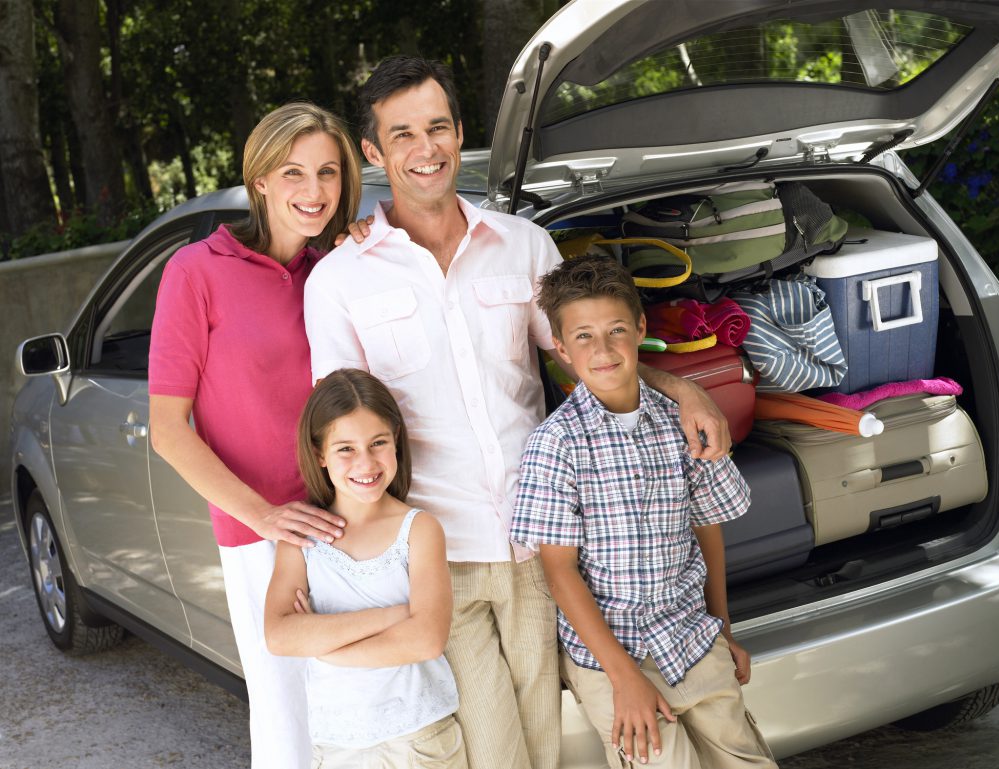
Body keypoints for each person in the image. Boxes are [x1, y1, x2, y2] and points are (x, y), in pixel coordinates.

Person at [303, 55, 730, 769]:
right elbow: (342, 433)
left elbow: (586, 355)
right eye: (402, 134)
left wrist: (680, 387)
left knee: (541, 742)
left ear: (460, 132)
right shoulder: (339, 280)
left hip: (542, 544)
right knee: (495, 750)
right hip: (442, 557)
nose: (426, 148)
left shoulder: (524, 245)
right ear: (373, 152)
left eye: (438, 127)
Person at [148, 102, 362, 769]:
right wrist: (266, 518)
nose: (315, 190)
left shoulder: (336, 272)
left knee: (368, 709)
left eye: (328, 172)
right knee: (289, 718)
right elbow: (167, 429)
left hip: (352, 520)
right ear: (260, 179)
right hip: (260, 536)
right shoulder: (196, 271)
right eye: (293, 171)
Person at [510, 254, 777, 769]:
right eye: (583, 337)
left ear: (640, 329)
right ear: (561, 348)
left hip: (692, 638)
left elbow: (707, 527)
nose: (603, 349)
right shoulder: (556, 443)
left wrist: (722, 627)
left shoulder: (683, 422)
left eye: (615, 330)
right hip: (613, 659)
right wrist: (624, 678)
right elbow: (559, 571)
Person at [264, 368, 467, 769]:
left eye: (378, 443)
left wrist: (327, 646)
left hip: (418, 739)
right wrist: (393, 616)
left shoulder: (419, 529)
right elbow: (281, 636)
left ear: (396, 442)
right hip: (337, 743)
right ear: (320, 453)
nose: (366, 462)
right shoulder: (302, 539)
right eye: (345, 449)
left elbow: (425, 640)